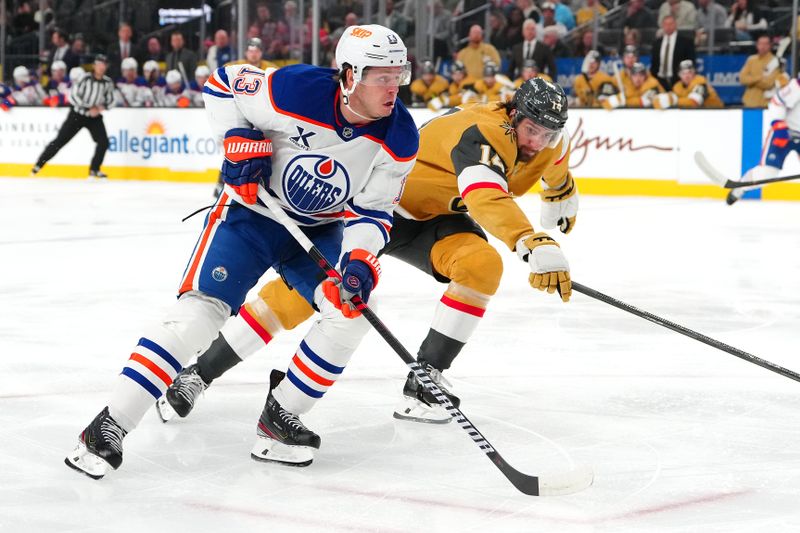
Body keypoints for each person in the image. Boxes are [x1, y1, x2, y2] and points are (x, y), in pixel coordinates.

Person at [64, 24, 418, 479]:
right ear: (349, 75)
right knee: (198, 317)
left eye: (399, 75)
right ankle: (108, 424)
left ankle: (279, 419)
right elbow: (223, 82)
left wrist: (358, 261)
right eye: (381, 76)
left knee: (348, 313)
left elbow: (373, 210)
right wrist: (236, 137)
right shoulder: (294, 90)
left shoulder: (400, 135)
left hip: (320, 230)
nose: (393, 88)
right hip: (251, 216)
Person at [157, 76, 576, 430]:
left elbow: (553, 167)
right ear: (513, 115)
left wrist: (561, 191)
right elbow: (484, 195)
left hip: (434, 217)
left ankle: (426, 377)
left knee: (482, 265)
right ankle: (200, 372)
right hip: (376, 208)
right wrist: (529, 240)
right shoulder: (484, 130)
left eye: (549, 133)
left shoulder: (546, 144)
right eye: (532, 130)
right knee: (302, 299)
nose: (538, 141)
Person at [31, 55, 114, 179]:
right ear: (94, 66)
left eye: (104, 65)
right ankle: (38, 165)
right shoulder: (85, 78)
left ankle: (94, 169)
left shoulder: (107, 82)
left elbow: (111, 100)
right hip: (77, 115)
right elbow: (73, 96)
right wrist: (88, 107)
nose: (101, 67)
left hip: (94, 117)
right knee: (60, 141)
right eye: (99, 64)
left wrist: (101, 108)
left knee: (103, 142)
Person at [726, 73, 800, 205]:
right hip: (784, 134)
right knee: (767, 173)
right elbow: (777, 103)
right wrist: (779, 126)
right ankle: (741, 187)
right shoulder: (796, 87)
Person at [653, 59, 723, 109]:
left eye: (689, 72)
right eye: (683, 73)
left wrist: (673, 100)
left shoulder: (700, 82)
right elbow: (674, 101)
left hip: (716, 113)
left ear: (694, 73)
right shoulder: (677, 86)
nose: (687, 76)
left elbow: (694, 102)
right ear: (679, 75)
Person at [650, 15, 695, 90]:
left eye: (671, 24)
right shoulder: (657, 43)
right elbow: (654, 63)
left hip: (678, 80)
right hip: (660, 80)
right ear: (662, 26)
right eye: (666, 24)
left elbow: (690, 61)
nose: (668, 26)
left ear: (675, 24)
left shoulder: (686, 42)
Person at [740, 35, 782, 108]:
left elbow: (769, 84)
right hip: (748, 103)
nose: (763, 46)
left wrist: (751, 80)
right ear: (757, 45)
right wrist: (760, 77)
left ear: (770, 45)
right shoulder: (751, 59)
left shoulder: (775, 61)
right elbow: (742, 79)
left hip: (766, 105)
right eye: (760, 43)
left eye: (766, 44)